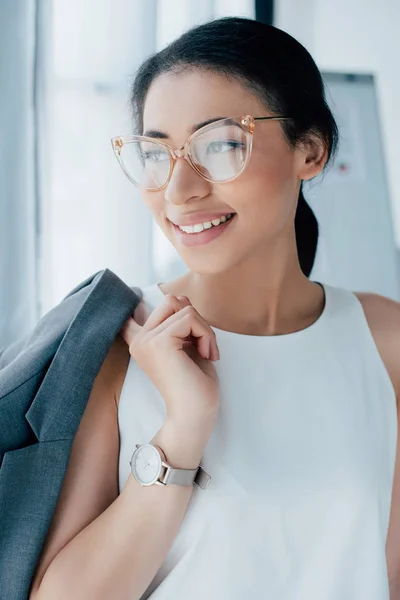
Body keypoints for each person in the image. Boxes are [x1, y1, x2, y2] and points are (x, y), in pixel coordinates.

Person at [29, 16, 400, 600]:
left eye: (221, 144)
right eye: (157, 153)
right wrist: (183, 428)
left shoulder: (386, 342)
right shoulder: (119, 343)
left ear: (311, 150)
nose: (179, 191)